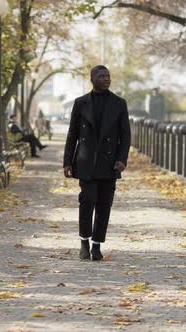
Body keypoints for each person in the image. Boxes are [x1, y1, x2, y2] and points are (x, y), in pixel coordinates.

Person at [63, 65, 131, 261]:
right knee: (88, 201)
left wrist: (121, 159)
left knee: (104, 206)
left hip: (109, 163)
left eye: (108, 76)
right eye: (101, 76)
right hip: (85, 162)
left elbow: (125, 135)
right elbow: (72, 134)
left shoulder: (119, 103)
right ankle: (84, 241)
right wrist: (67, 162)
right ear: (92, 79)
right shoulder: (81, 103)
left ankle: (97, 245)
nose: (106, 79)